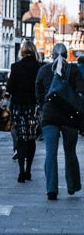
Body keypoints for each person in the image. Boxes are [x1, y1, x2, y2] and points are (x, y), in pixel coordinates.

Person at [35, 42, 83, 200]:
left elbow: (38, 91)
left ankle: (51, 189)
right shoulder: (74, 70)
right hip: (69, 116)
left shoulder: (43, 70)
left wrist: (44, 106)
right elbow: (81, 92)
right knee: (70, 151)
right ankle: (72, 185)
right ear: (67, 55)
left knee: (50, 153)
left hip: (49, 116)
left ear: (53, 55)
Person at [6, 40, 42, 183]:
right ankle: (29, 171)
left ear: (22, 51)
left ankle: (21, 172)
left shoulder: (16, 67)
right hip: (33, 107)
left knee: (21, 138)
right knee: (31, 138)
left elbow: (9, 89)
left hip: (18, 107)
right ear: (34, 51)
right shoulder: (39, 67)